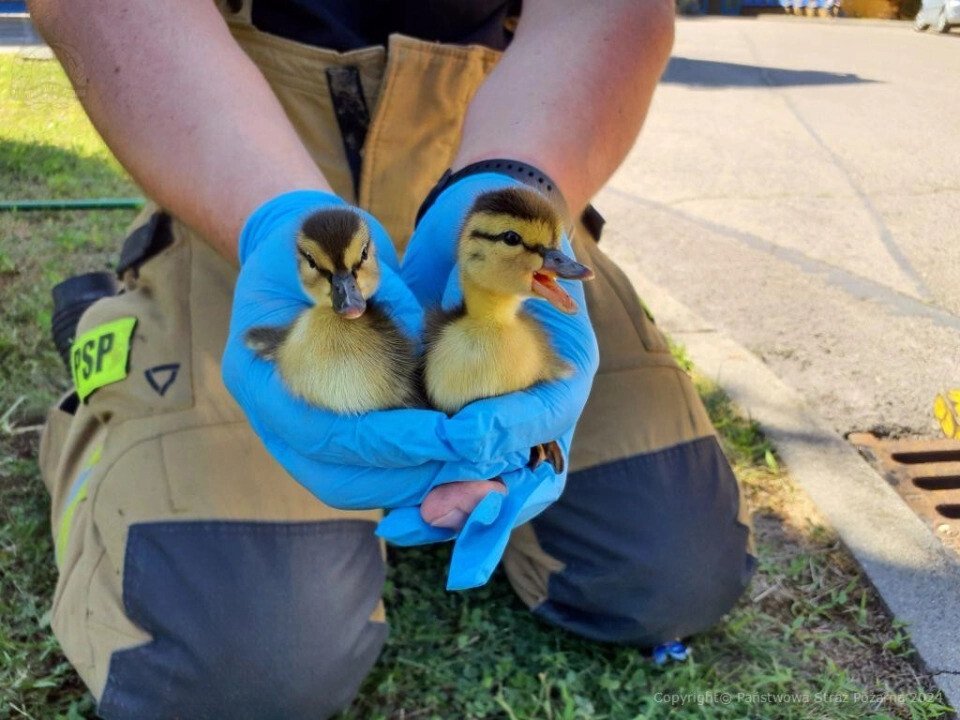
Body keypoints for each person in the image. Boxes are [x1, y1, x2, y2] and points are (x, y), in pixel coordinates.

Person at [31, 1, 755, 716]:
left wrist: (508, 181)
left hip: (502, 139)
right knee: (242, 671)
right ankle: (107, 374)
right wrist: (272, 220)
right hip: (239, 162)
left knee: (671, 576)